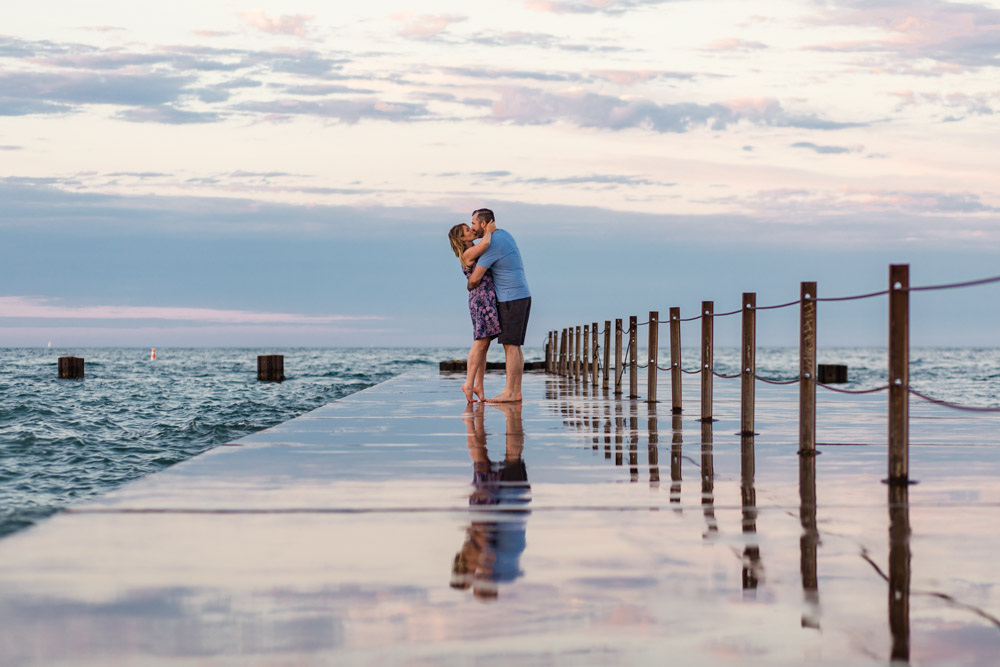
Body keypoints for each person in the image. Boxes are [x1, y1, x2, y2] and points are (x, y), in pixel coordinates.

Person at [465, 208, 531, 403]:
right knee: (515, 347)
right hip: (520, 295)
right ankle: (515, 391)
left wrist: (468, 285)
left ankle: (511, 392)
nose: (472, 228)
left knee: (511, 346)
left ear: (484, 224)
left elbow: (475, 278)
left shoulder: (493, 243)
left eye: (474, 224)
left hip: (511, 298)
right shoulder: (504, 234)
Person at [448, 218, 501, 402]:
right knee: (480, 342)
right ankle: (469, 384)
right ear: (462, 239)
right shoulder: (469, 252)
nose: (472, 230)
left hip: (484, 297)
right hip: (481, 298)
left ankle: (479, 385)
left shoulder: (471, 249)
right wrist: (490, 229)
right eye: (467, 230)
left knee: (484, 344)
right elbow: (486, 242)